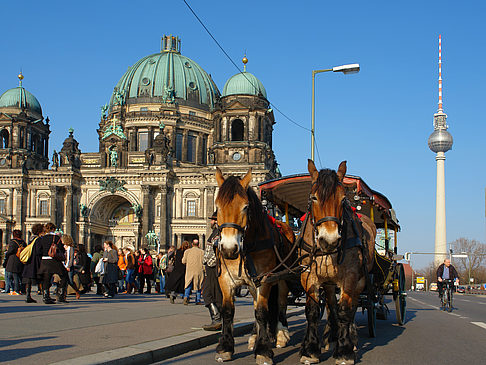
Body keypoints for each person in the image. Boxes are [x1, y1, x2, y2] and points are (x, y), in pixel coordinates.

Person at [35, 223, 68, 304]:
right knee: (64, 276)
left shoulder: (42, 238)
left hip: (45, 261)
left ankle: (46, 296)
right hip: (54, 260)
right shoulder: (56, 238)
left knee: (46, 278)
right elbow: (61, 249)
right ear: (53, 229)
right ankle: (60, 295)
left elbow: (38, 251)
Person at [202, 212, 223, 330]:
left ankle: (217, 319)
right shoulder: (215, 232)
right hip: (210, 266)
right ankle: (218, 319)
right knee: (213, 293)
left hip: (214, 266)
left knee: (210, 294)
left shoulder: (219, 232)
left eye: (212, 220)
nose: (210, 222)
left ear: (216, 221)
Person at [22, 224, 44, 303]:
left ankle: (28, 295)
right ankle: (45, 295)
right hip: (35, 260)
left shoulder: (31, 238)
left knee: (29, 279)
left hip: (29, 261)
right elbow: (38, 251)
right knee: (41, 277)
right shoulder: (38, 239)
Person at [182, 239, 204, 305]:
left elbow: (183, 261)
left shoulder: (187, 251)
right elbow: (204, 262)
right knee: (199, 285)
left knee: (188, 284)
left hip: (189, 270)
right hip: (199, 270)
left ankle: (186, 296)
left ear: (192, 244)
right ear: (199, 245)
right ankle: (197, 300)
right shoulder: (202, 252)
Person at [5, 230, 26, 295]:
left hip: (14, 260)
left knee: (15, 276)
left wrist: (7, 255)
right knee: (20, 276)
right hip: (21, 260)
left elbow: (9, 252)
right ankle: (22, 289)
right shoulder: (23, 242)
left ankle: (16, 290)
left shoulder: (13, 242)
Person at [62, 235, 81, 300]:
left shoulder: (71, 248)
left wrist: (68, 266)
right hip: (64, 265)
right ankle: (63, 295)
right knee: (64, 281)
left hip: (69, 266)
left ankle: (77, 291)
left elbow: (71, 258)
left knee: (70, 281)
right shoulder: (63, 247)